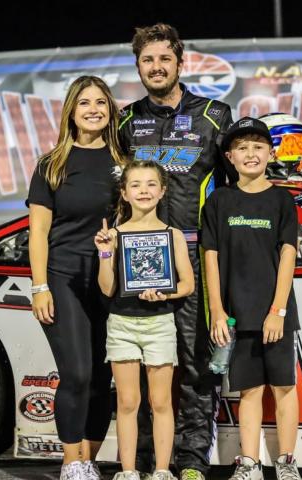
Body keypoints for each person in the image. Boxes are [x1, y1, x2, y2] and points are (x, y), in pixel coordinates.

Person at [119, 23, 237, 480]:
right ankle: (148, 462)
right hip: (140, 259)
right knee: (146, 364)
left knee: (194, 362)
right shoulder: (125, 121)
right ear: (138, 66)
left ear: (180, 62)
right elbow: (114, 192)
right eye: (147, 60)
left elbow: (233, 192)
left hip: (195, 258)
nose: (156, 67)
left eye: (164, 58)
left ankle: (189, 462)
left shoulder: (214, 116)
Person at [27, 75, 124, 480]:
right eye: (84, 103)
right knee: (78, 373)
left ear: (110, 109)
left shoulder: (124, 162)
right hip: (62, 278)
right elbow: (38, 233)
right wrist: (39, 286)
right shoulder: (52, 164)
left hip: (110, 280)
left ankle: (88, 459)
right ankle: (71, 463)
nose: (93, 109)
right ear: (71, 110)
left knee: (104, 377)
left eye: (100, 102)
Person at [201, 117, 302, 480]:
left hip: (275, 314)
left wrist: (277, 310)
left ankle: (287, 463)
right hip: (236, 316)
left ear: (271, 153)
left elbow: (288, 254)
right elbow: (209, 256)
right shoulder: (218, 201)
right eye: (242, 147)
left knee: (284, 388)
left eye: (258, 146)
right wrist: (216, 310)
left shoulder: (281, 199)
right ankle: (249, 463)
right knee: (249, 391)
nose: (250, 153)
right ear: (229, 156)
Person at [94, 160, 195, 480]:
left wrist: (165, 294)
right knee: (127, 401)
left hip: (160, 323)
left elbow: (187, 284)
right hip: (122, 324)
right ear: (124, 193)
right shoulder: (114, 235)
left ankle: (163, 470)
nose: (144, 191)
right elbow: (108, 287)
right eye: (136, 185)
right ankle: (128, 471)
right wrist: (105, 254)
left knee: (161, 400)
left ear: (163, 191)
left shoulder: (172, 235)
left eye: (151, 184)